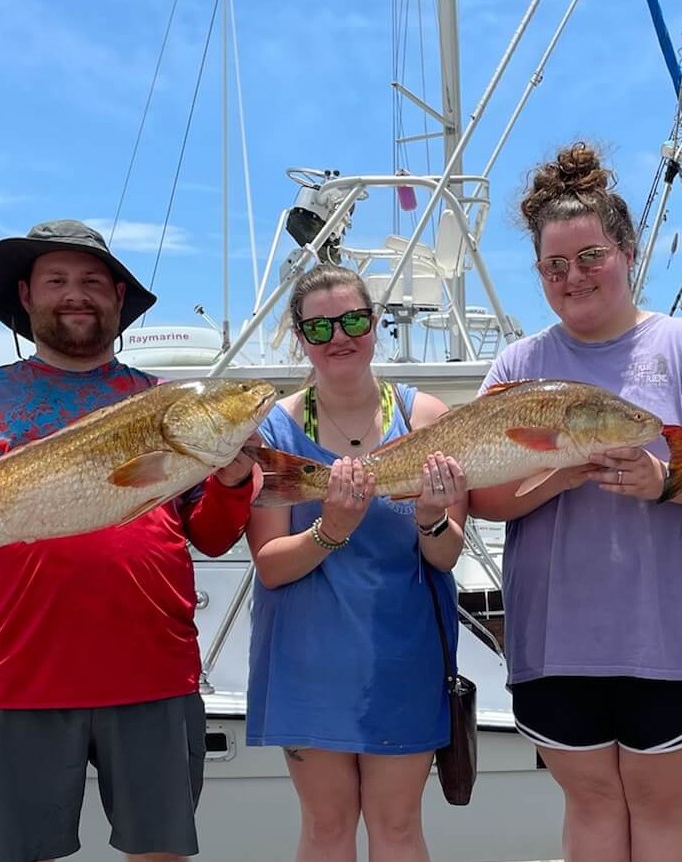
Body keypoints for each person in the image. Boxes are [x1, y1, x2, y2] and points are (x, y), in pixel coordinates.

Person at [0, 219, 258, 862]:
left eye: (93, 282)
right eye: (58, 280)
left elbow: (210, 537)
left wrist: (235, 479)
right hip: (21, 676)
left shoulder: (164, 404)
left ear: (118, 299)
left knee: (161, 854)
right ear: (26, 295)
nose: (76, 294)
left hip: (155, 673)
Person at [467, 142, 682, 862]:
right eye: (554, 265)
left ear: (629, 252)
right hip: (556, 637)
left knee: (663, 807)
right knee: (592, 807)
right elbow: (486, 499)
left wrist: (665, 482)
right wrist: (558, 474)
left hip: (678, 637)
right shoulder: (519, 366)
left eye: (591, 256)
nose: (573, 277)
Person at [246, 263, 468, 862]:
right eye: (319, 327)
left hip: (404, 655)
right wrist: (332, 530)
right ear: (299, 337)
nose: (338, 336)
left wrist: (430, 514)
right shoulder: (272, 431)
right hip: (307, 660)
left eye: (352, 320)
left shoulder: (428, 420)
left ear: (374, 325)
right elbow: (269, 565)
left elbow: (445, 555)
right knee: (325, 827)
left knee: (398, 828)